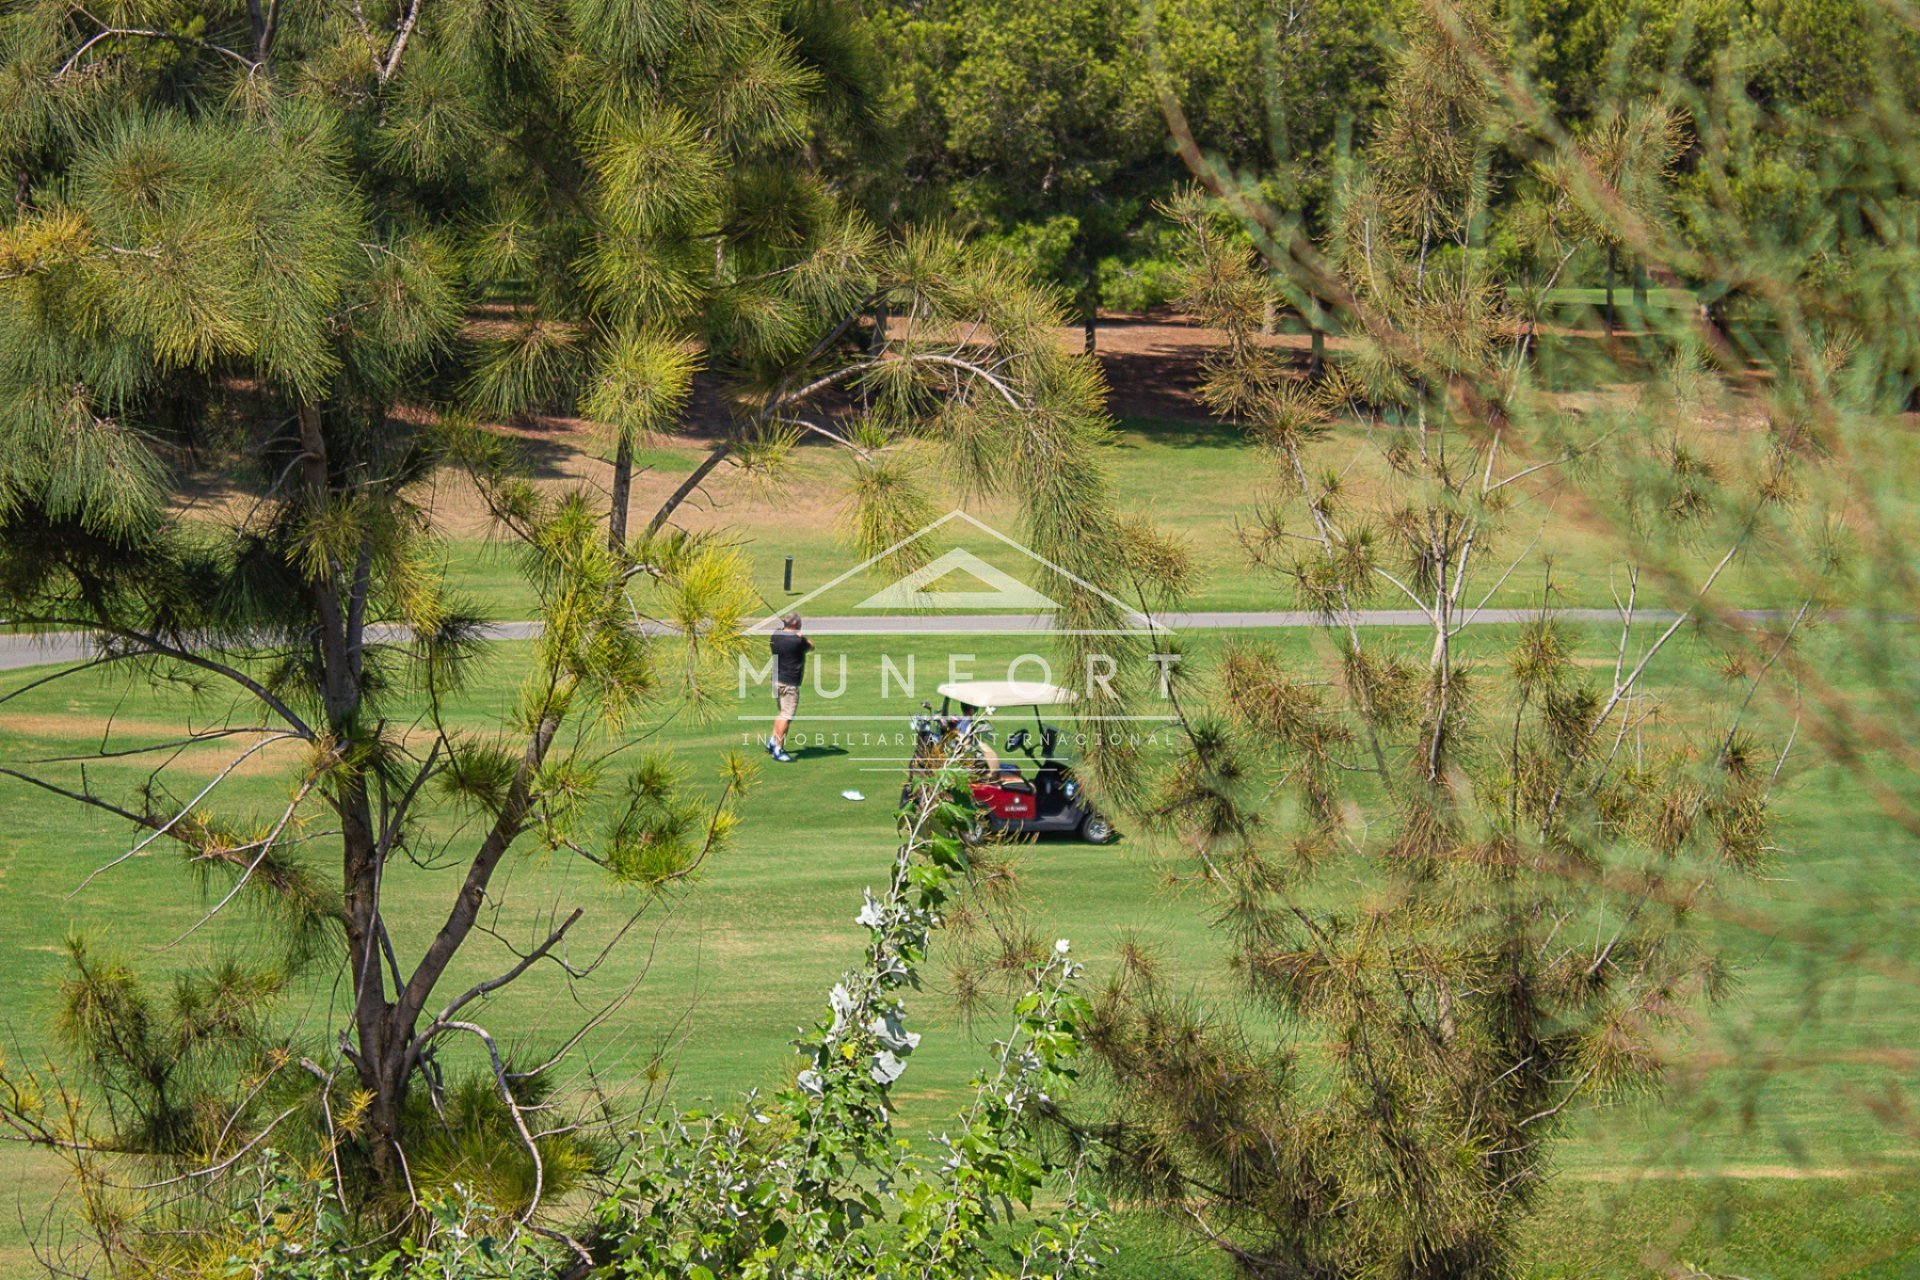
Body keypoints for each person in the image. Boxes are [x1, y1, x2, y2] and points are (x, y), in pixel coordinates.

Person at [767, 613, 812, 762]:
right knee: (787, 716)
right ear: (797, 625)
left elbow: (783, 634)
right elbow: (811, 646)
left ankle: (772, 742)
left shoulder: (775, 636)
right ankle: (778, 750)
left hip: (775, 680)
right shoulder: (798, 641)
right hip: (789, 683)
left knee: (782, 712)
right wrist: (801, 637)